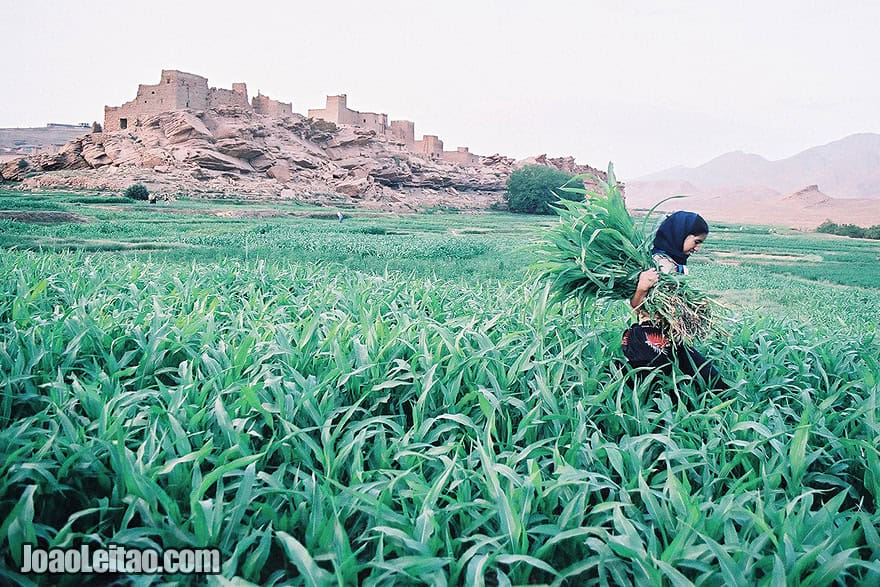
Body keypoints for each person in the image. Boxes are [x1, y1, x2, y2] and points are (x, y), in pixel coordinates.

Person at [622, 211, 728, 393]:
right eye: (697, 242)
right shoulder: (655, 264)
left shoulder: (676, 264)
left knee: (711, 380)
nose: (698, 248)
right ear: (681, 234)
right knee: (655, 391)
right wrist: (641, 287)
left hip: (672, 339)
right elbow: (637, 307)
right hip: (649, 340)